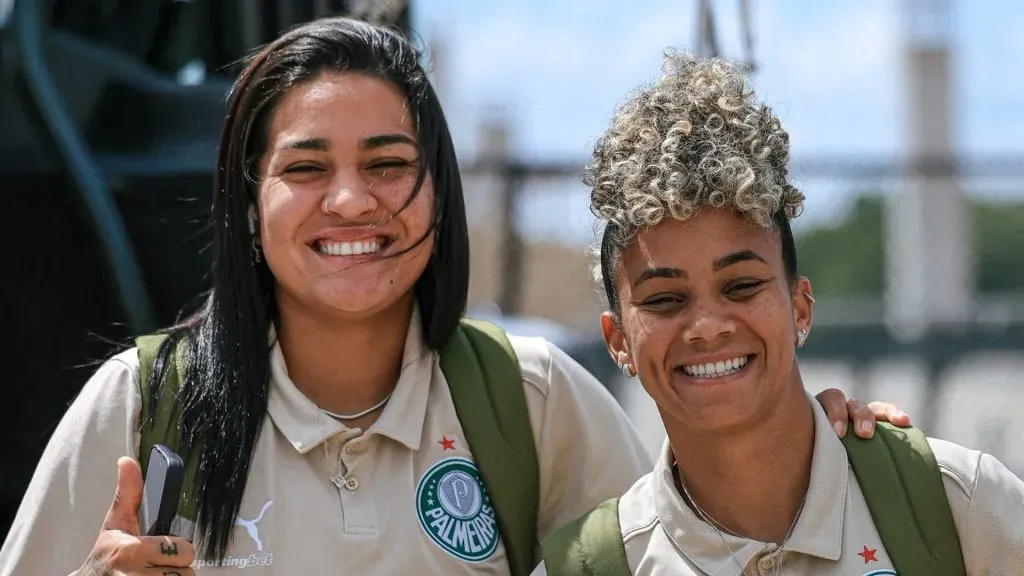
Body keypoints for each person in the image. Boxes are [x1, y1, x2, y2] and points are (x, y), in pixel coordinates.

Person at [0, 19, 906, 576]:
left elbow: (706, 543)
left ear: (440, 193)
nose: (350, 201)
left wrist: (807, 449)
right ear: (247, 205)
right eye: (305, 169)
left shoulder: (530, 402)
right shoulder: (140, 406)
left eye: (389, 164)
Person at [531, 51, 1024, 576]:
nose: (708, 326)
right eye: (665, 299)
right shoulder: (597, 565)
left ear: (800, 306)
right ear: (618, 341)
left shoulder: (958, 504)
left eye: (741, 286)